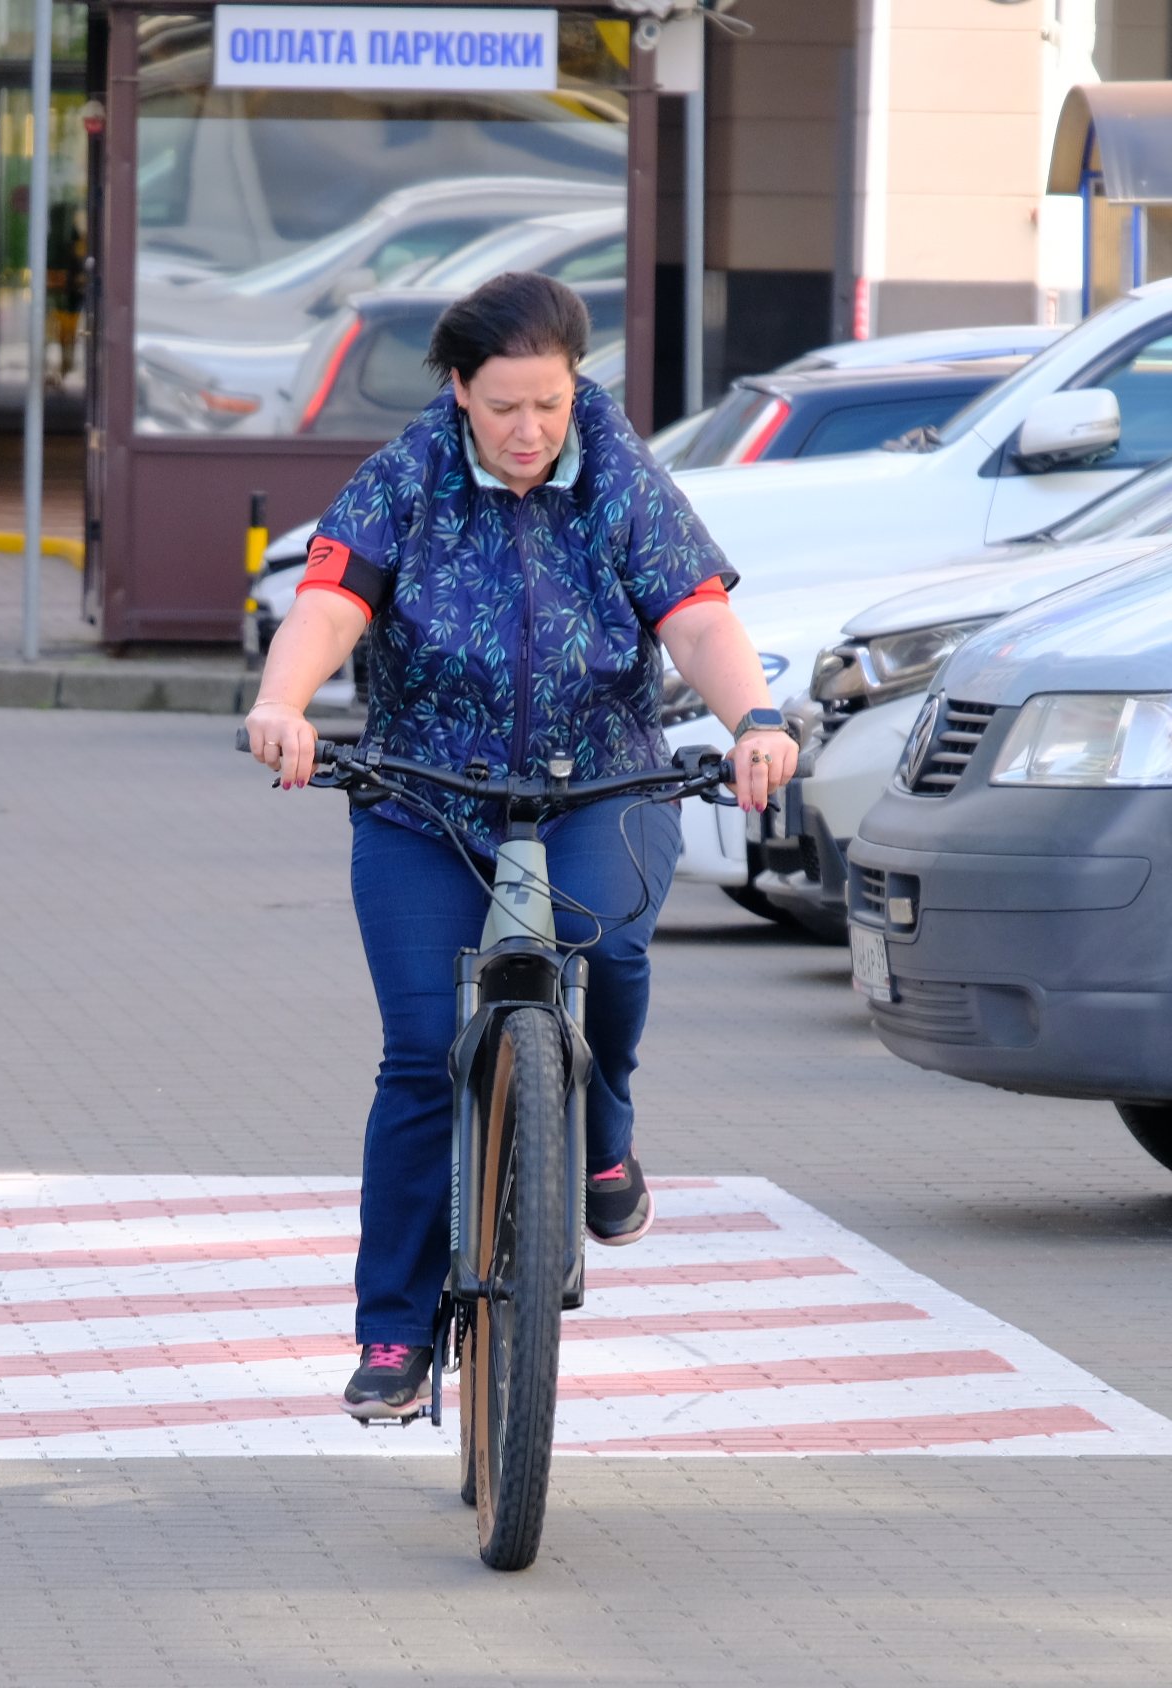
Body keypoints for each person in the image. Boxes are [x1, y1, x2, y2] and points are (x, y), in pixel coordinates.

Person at [244, 272, 799, 1420]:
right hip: (424, 793)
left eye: (548, 402)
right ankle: (394, 1333)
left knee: (613, 949)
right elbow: (333, 600)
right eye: (503, 406)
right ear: (458, 389)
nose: (529, 429)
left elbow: (694, 615)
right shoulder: (408, 474)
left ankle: (601, 1137)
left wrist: (754, 719)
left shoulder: (617, 475)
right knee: (418, 1056)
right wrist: (282, 702)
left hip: (599, 780)